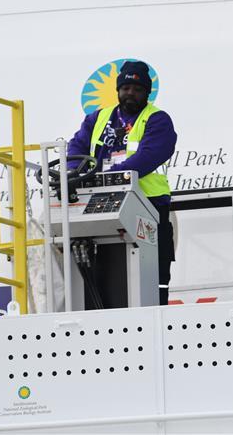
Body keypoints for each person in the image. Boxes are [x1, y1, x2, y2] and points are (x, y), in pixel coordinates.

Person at [68, 60, 177, 306]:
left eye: (137, 89)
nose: (130, 93)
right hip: (101, 205)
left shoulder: (157, 119)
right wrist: (74, 171)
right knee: (105, 275)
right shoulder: (98, 117)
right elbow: (77, 146)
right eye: (126, 87)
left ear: (147, 93)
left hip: (149, 207)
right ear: (118, 90)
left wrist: (108, 176)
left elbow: (148, 156)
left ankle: (154, 322)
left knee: (153, 278)